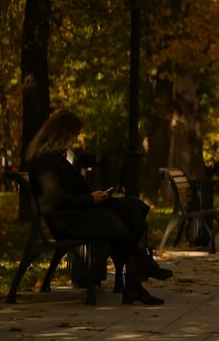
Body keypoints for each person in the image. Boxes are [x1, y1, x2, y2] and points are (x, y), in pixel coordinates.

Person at [25, 108, 171, 305]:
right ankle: (139, 275)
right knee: (131, 225)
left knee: (133, 208)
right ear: (61, 134)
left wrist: (96, 195)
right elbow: (57, 199)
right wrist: (90, 199)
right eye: (73, 136)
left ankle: (140, 272)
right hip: (67, 221)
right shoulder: (45, 162)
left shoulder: (56, 159)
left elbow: (72, 191)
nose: (75, 141)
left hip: (78, 213)